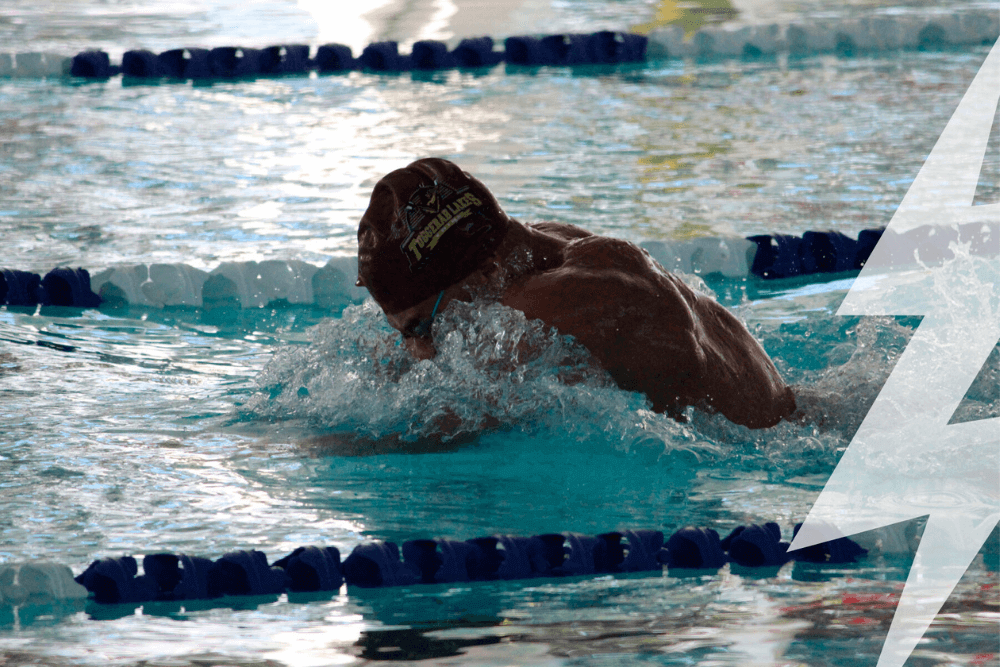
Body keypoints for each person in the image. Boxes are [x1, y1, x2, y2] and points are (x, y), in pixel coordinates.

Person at [357, 157, 796, 430]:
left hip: (780, 449)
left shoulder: (558, 302)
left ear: (486, 273)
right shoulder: (538, 247)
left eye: (425, 326)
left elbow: (442, 429)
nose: (420, 351)